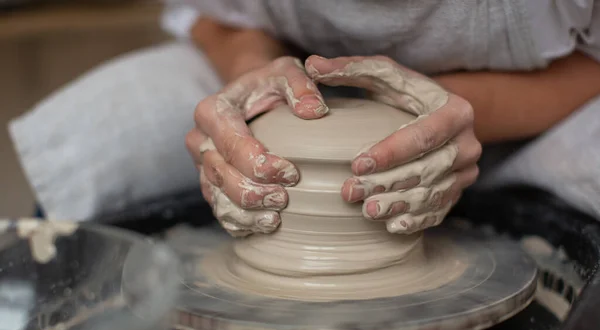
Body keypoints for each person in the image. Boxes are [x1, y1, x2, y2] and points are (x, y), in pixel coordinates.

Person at [9, 1, 600, 231]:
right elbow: (211, 14)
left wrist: (460, 111)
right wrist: (252, 69)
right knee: (105, 135)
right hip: (293, 81)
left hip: (539, 107)